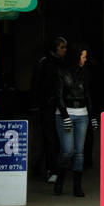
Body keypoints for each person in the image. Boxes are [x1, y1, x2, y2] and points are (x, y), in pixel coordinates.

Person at [54, 44, 98, 198]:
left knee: (79, 152)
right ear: (76, 57)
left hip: (83, 114)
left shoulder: (85, 73)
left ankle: (77, 186)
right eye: (83, 56)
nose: (85, 60)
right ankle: (60, 179)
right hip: (65, 113)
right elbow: (58, 95)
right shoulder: (61, 71)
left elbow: (88, 95)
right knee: (68, 150)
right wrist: (65, 115)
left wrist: (92, 116)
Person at [31, 36, 66, 182]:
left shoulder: (60, 63)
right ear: (54, 48)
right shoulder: (45, 63)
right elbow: (37, 85)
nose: (64, 50)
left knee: (54, 138)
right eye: (62, 47)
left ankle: (48, 167)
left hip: (58, 105)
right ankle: (50, 168)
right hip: (47, 106)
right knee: (49, 138)